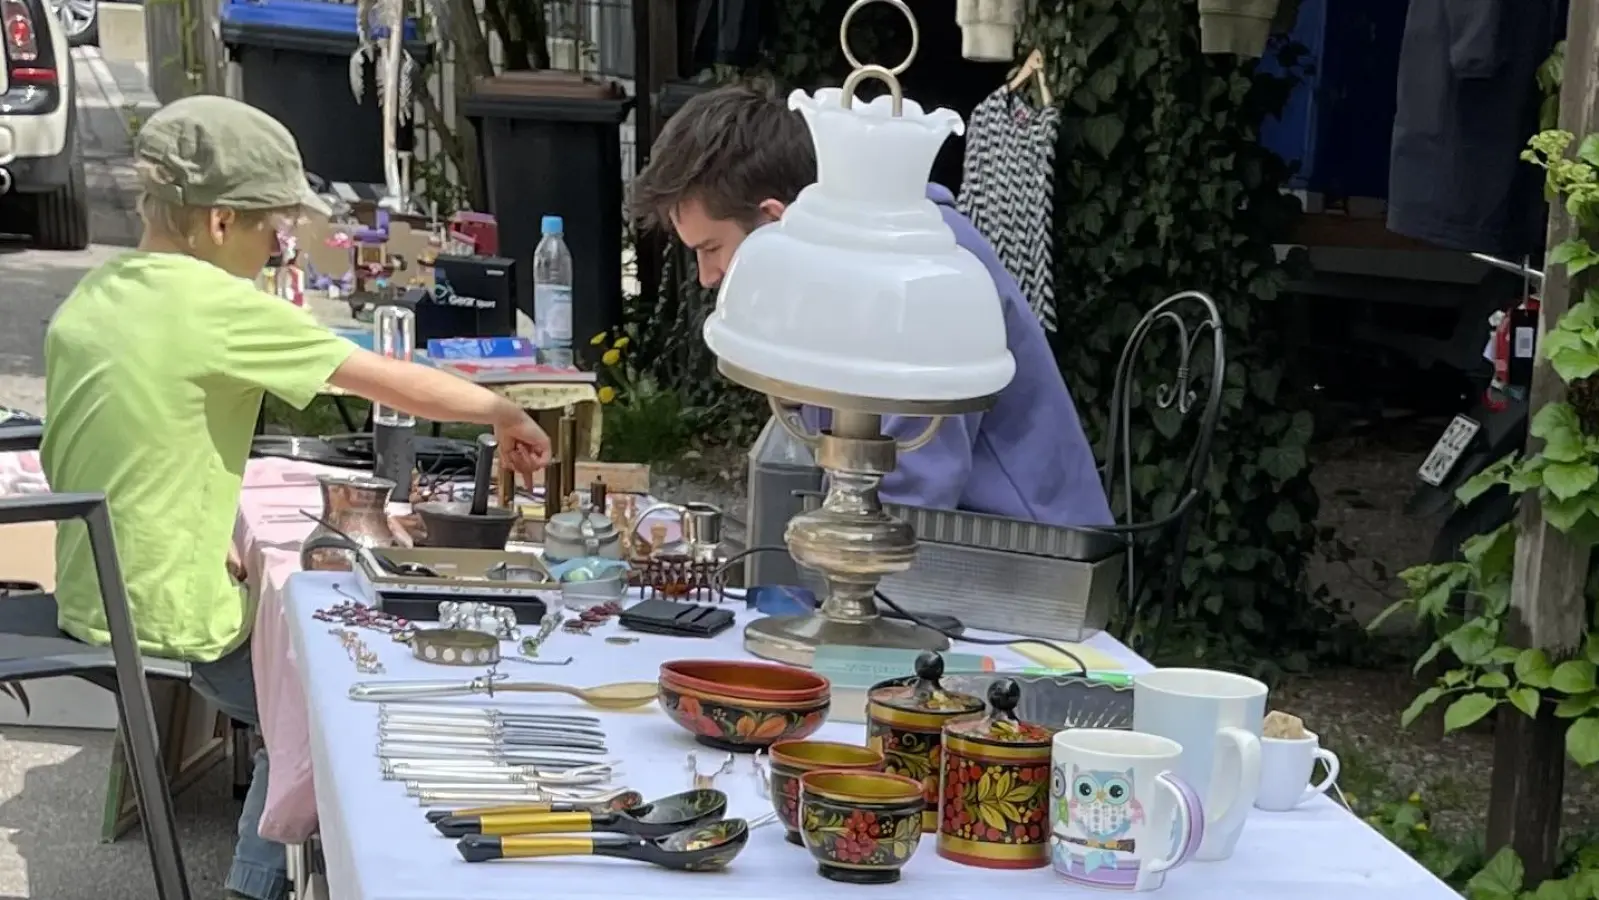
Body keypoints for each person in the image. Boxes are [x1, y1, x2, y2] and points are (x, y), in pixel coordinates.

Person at [39, 95, 551, 900]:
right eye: (272, 229)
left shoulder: (101, 292)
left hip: (96, 589)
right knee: (336, 702)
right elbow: (384, 379)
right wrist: (499, 407)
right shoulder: (211, 304)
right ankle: (261, 888)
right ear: (216, 223)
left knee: (303, 649)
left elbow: (108, 449)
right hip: (164, 613)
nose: (281, 247)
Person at [630, 84, 1112, 527]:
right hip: (941, 540)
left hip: (1027, 561)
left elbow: (907, 496)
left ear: (774, 219)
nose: (706, 277)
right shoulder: (840, 259)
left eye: (710, 249)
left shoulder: (918, 269)